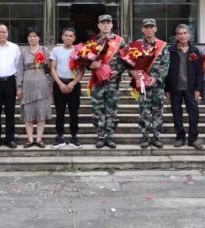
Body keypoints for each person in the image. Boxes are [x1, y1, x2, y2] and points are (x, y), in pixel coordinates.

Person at [131, 19, 170, 149]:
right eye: (146, 27)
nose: (149, 29)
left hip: (157, 86)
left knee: (158, 112)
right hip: (142, 85)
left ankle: (157, 137)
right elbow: (130, 62)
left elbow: (165, 65)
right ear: (142, 29)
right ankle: (145, 137)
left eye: (151, 27)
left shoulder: (162, 45)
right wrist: (133, 72)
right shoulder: (136, 44)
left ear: (155, 29)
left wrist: (156, 78)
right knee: (144, 112)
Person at [90, 15, 126, 149]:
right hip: (98, 82)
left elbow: (126, 59)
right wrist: (90, 65)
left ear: (111, 25)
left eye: (108, 23)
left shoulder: (120, 41)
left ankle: (110, 137)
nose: (105, 25)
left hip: (113, 82)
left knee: (111, 111)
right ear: (98, 25)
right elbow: (85, 59)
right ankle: (100, 137)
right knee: (97, 110)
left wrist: (118, 70)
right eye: (102, 23)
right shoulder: (93, 41)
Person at [165, 24, 203, 150]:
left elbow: (199, 72)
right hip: (175, 88)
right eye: (180, 33)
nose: (182, 36)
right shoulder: (170, 51)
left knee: (194, 114)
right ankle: (180, 137)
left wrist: (198, 88)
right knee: (176, 114)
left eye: (185, 33)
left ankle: (193, 139)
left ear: (189, 35)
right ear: (176, 36)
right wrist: (167, 89)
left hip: (190, 88)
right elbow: (166, 71)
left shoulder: (195, 51)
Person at [16, 27, 53, 148]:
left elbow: (50, 69)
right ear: (27, 38)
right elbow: (20, 70)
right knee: (28, 113)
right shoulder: (23, 52)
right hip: (27, 85)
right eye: (30, 36)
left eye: (35, 36)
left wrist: (51, 84)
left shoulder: (44, 50)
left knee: (41, 111)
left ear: (39, 38)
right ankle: (30, 139)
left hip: (42, 84)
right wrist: (19, 87)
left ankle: (39, 139)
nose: (32, 38)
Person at [50, 27, 84, 148]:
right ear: (62, 37)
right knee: (59, 112)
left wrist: (72, 83)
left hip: (73, 85)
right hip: (59, 84)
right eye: (66, 35)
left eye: (71, 36)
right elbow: (52, 68)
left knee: (74, 112)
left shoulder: (78, 51)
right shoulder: (56, 50)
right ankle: (60, 136)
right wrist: (60, 84)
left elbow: (81, 70)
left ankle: (74, 137)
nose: (68, 38)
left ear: (74, 38)